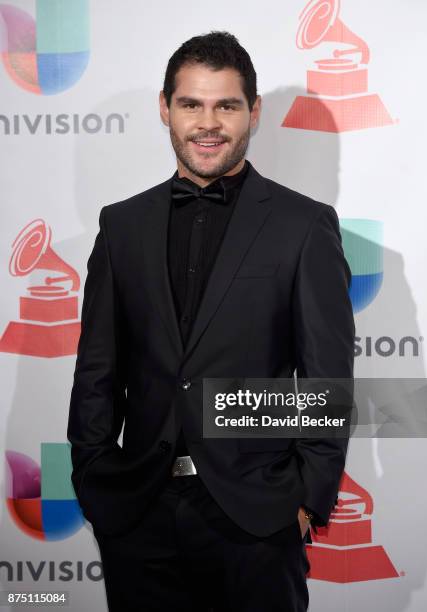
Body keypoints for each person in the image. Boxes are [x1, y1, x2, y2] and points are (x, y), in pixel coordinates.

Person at [67, 30, 355, 612]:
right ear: (164, 109)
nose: (208, 122)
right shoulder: (121, 226)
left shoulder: (303, 226)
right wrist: (96, 478)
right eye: (191, 104)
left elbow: (327, 379)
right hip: (139, 514)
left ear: (253, 112)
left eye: (226, 105)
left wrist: (302, 504)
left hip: (256, 519)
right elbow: (98, 369)